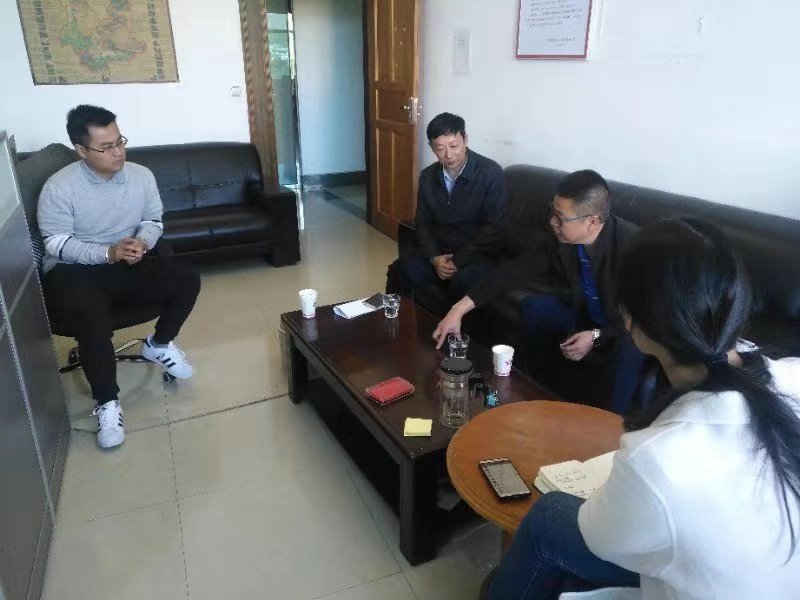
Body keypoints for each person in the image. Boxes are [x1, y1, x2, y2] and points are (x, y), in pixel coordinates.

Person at [485, 218, 800, 599]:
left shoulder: (657, 458)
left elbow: (600, 538)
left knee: (549, 515)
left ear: (632, 320)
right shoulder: (791, 374)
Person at [38, 105, 201, 449]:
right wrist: (106, 253)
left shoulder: (141, 175)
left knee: (187, 278)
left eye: (120, 141)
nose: (118, 152)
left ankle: (158, 345)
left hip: (127, 260)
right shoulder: (59, 187)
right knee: (91, 313)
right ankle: (107, 402)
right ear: (81, 150)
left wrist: (142, 242)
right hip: (74, 271)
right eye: (107, 147)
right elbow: (56, 243)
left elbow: (153, 220)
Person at [433, 169, 645, 415]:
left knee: (630, 348)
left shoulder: (634, 248)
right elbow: (512, 272)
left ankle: (610, 426)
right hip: (585, 314)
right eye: (553, 212)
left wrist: (597, 336)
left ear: (592, 221)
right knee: (533, 308)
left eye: (561, 218)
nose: (552, 222)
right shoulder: (563, 242)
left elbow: (643, 320)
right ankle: (534, 390)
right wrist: (458, 309)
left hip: (625, 330)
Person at [385, 112, 508, 301]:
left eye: (454, 146)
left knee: (463, 282)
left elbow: (493, 228)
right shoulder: (428, 176)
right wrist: (434, 258)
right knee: (400, 269)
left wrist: (458, 261)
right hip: (440, 253)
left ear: (465, 139)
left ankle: (450, 322)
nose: (448, 155)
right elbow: (422, 222)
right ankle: (394, 317)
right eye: (440, 148)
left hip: (477, 255)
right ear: (432, 147)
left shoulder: (490, 173)